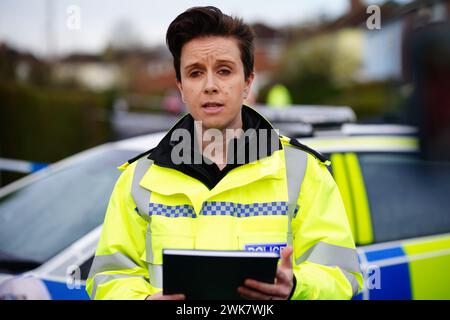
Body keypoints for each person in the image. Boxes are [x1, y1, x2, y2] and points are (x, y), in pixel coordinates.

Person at [86, 6, 363, 300]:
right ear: (180, 87)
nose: (210, 86)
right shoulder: (138, 179)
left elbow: (342, 275)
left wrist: (296, 287)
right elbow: (108, 277)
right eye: (195, 73)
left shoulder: (303, 171)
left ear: (247, 82)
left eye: (224, 71)